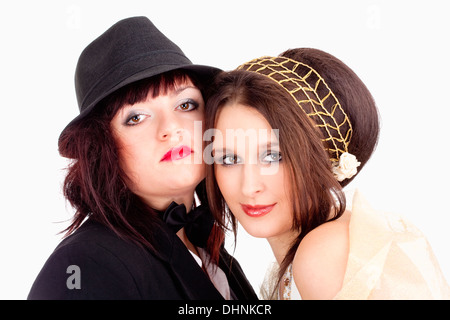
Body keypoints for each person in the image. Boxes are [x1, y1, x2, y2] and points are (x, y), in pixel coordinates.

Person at [28, 16, 257, 300]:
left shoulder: (209, 251)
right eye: (136, 118)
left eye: (185, 104)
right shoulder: (86, 264)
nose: (171, 129)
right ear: (101, 146)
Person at [204, 48, 450, 299]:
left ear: (323, 158)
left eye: (274, 157)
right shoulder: (323, 247)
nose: (248, 187)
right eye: (229, 159)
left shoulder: (324, 253)